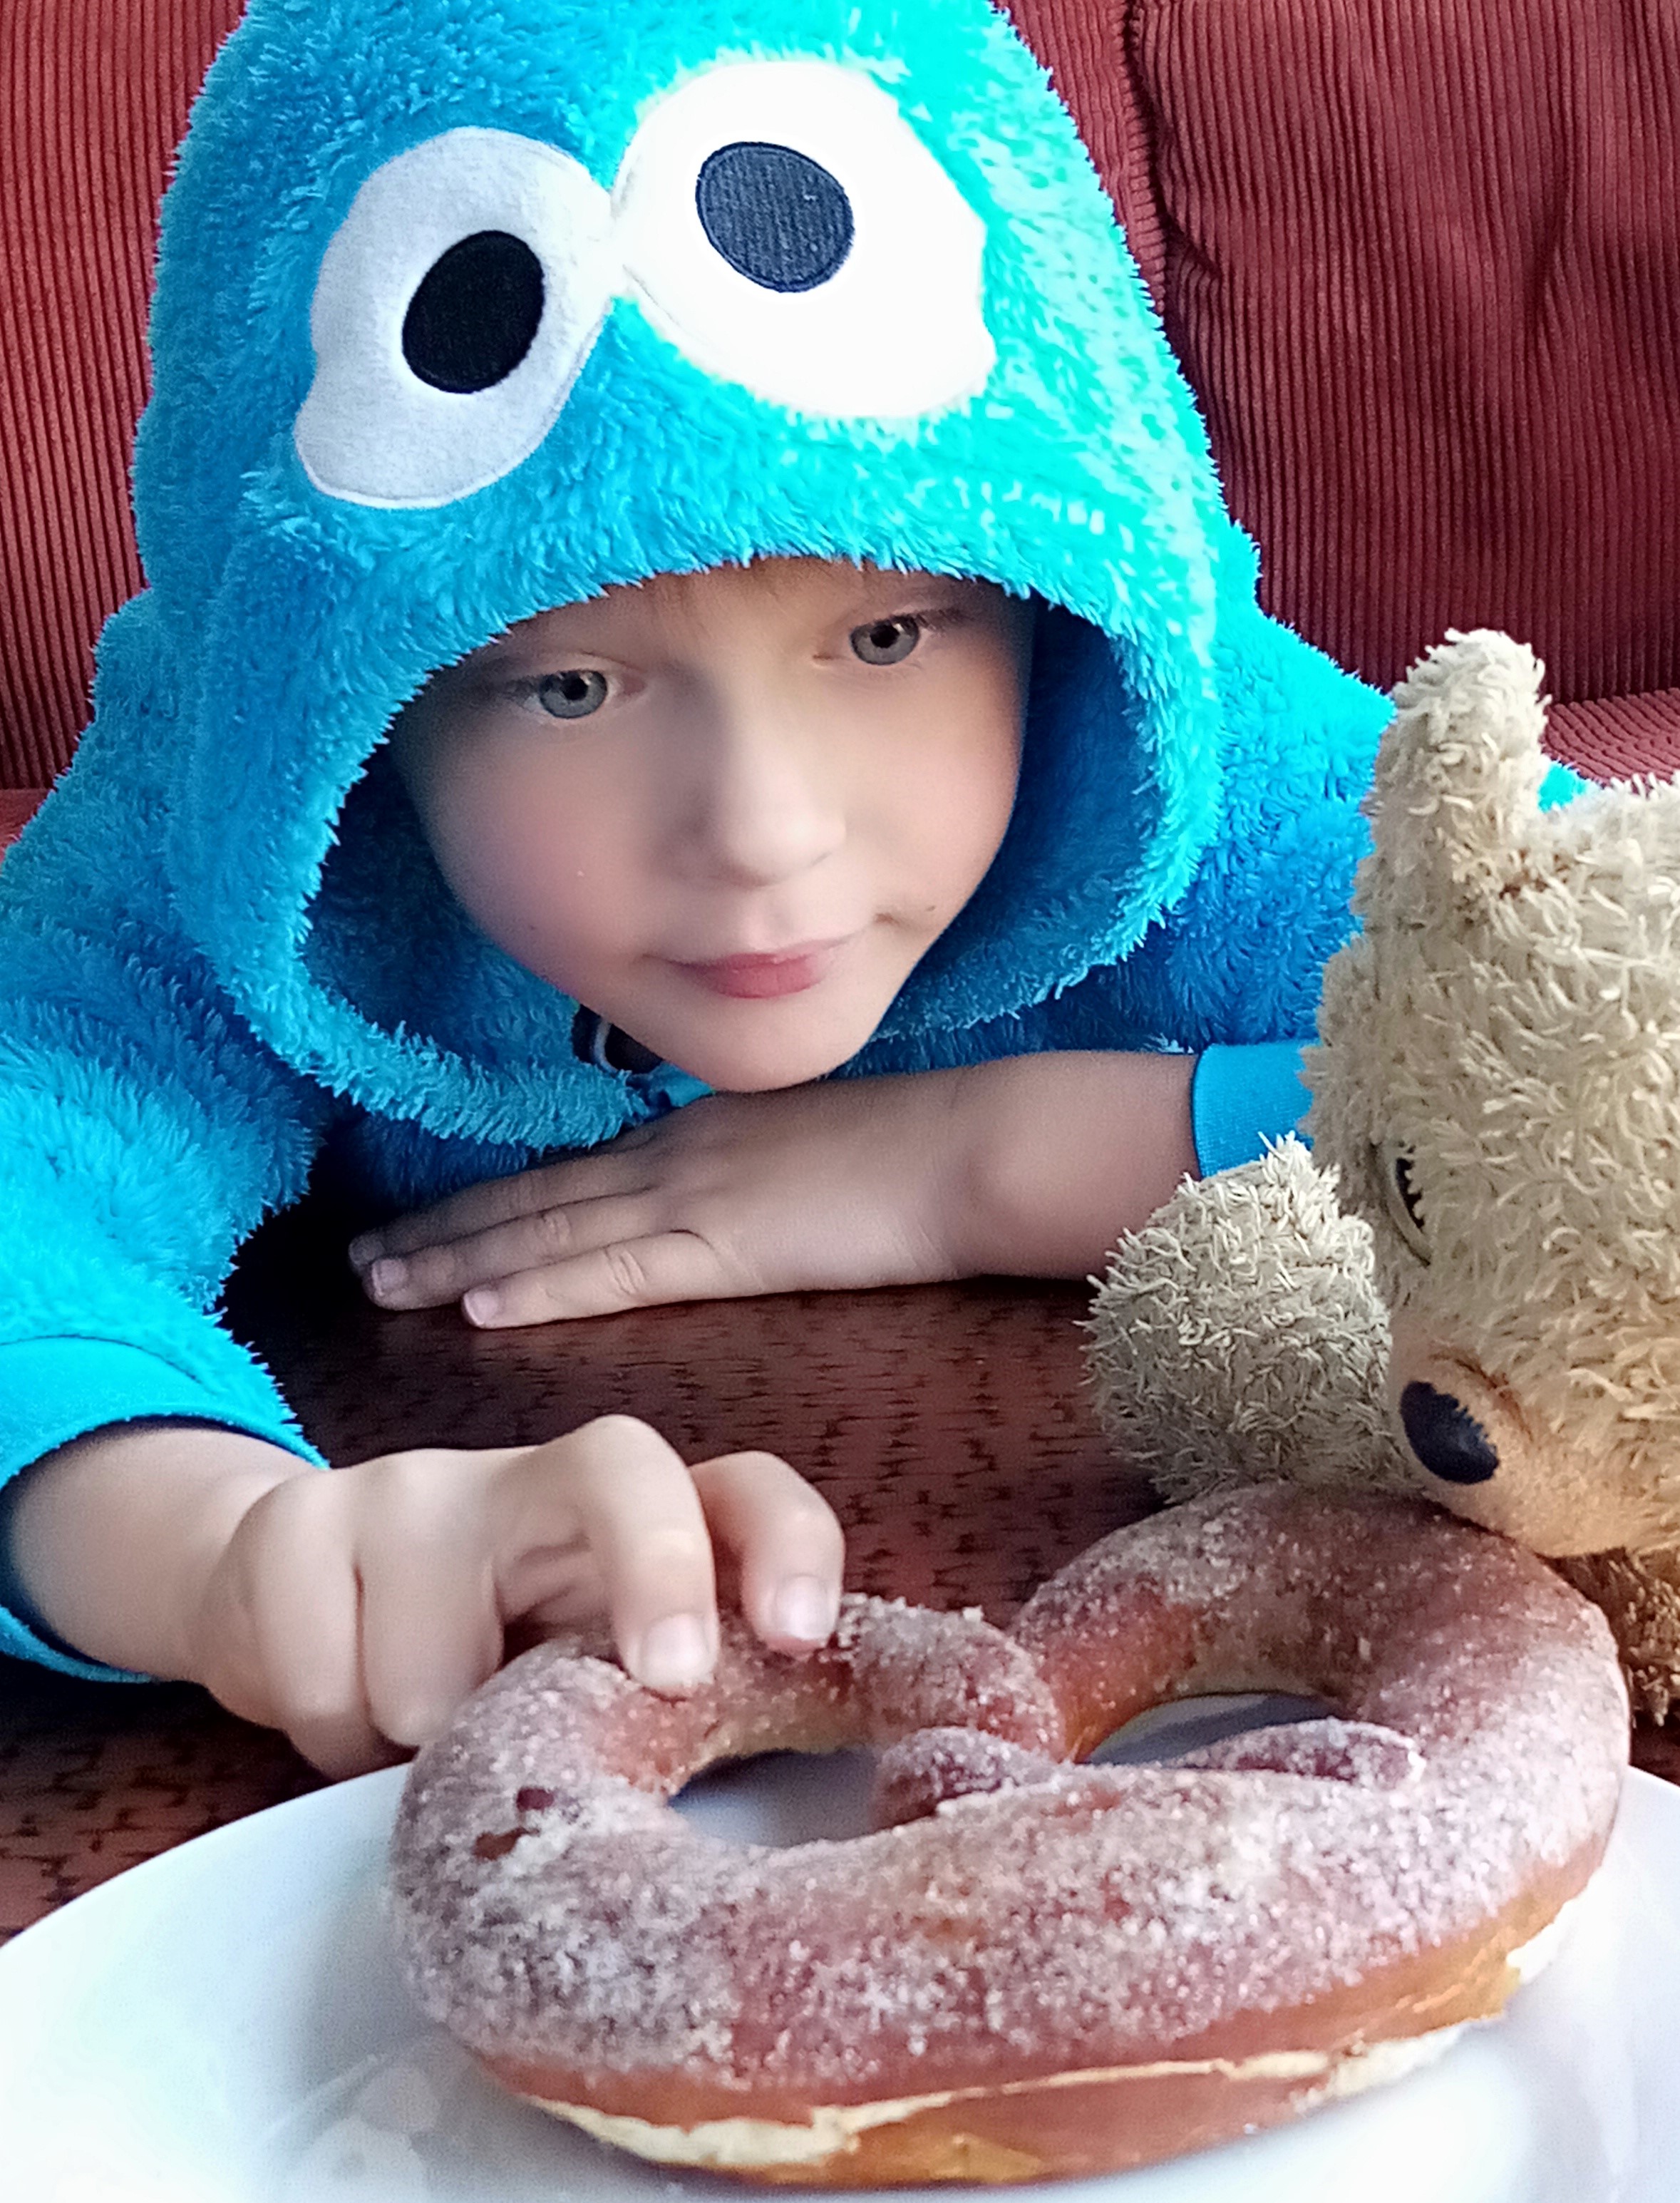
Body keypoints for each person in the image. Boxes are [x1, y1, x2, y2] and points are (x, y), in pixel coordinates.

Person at [0, 0, 1401, 1777]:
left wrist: (992, 1164)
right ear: (347, 712)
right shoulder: (235, 814)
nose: (762, 832)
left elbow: (1614, 1010)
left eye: (886, 634)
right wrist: (208, 1546)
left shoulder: (1170, 725)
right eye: (567, 686)